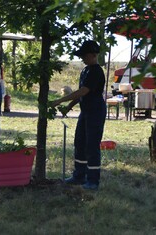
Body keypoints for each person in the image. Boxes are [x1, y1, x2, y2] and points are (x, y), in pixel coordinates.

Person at [51, 40, 106, 190]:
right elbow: (80, 93)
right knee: (80, 142)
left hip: (96, 111)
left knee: (92, 145)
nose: (82, 58)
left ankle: (93, 180)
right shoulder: (85, 71)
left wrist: (59, 100)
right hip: (86, 111)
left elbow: (84, 91)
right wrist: (68, 107)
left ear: (93, 55)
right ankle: (79, 175)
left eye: (85, 55)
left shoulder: (96, 71)